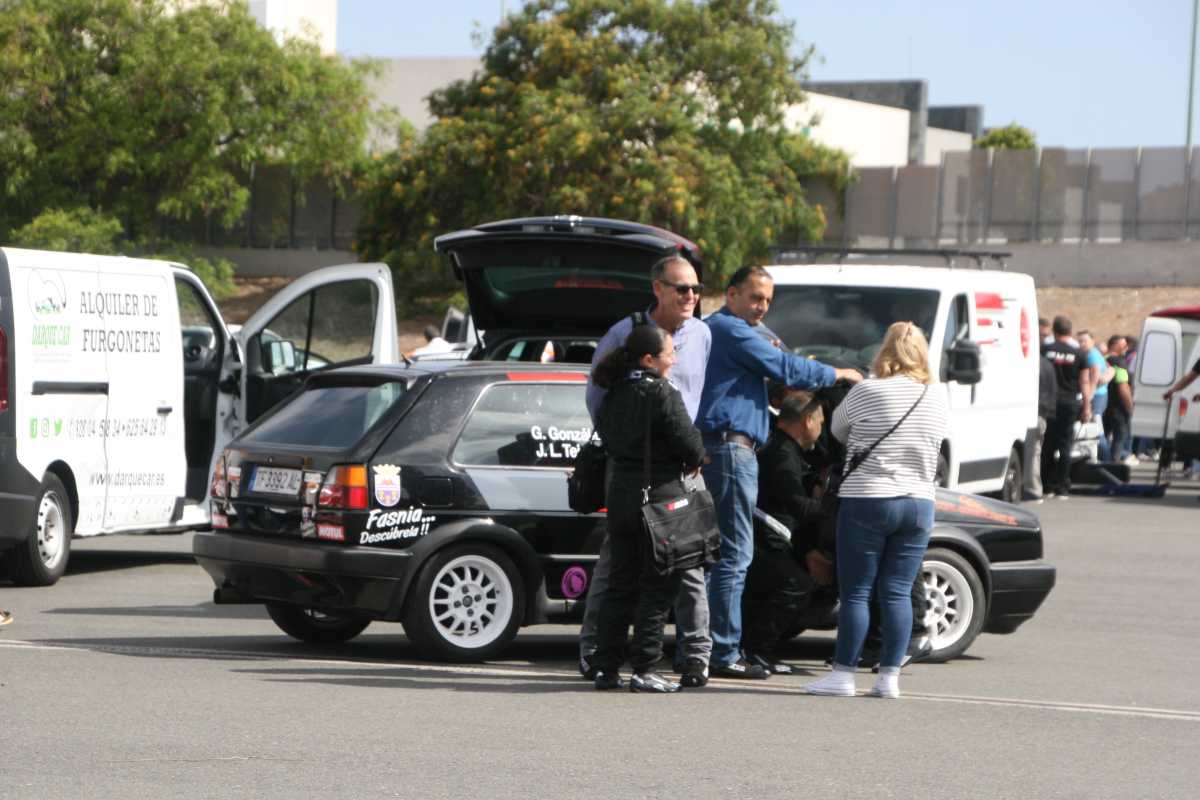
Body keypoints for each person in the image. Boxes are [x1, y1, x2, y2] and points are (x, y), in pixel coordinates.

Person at [697, 266, 862, 680]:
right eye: (755, 297)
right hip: (731, 450)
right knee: (735, 555)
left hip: (726, 449)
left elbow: (770, 377)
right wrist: (839, 374)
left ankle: (711, 647)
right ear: (731, 294)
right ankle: (724, 652)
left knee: (727, 556)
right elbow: (787, 368)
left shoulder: (725, 332)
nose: (762, 307)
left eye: (768, 300)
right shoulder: (731, 330)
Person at [579, 255, 712, 688]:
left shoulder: (698, 336)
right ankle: (643, 668)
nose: (691, 296)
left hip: (626, 486)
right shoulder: (660, 390)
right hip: (662, 488)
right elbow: (689, 442)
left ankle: (608, 665)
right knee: (658, 582)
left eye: (696, 289)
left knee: (627, 579)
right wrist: (690, 455)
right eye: (682, 288)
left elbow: (606, 414)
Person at [804, 322, 948, 700]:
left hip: (869, 497)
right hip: (919, 502)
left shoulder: (868, 390)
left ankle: (843, 674)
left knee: (856, 592)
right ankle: (889, 678)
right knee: (897, 591)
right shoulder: (937, 395)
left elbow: (837, 431)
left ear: (885, 350)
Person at [741, 393, 835, 674]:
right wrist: (836, 504)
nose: (821, 429)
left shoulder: (780, 446)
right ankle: (757, 650)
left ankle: (754, 648)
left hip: (766, 535)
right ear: (808, 421)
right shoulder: (782, 454)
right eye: (820, 422)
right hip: (765, 537)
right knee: (796, 583)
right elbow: (797, 505)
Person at [1041, 316, 1092, 499]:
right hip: (1069, 403)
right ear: (1070, 332)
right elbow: (1084, 382)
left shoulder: (1045, 350)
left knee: (1047, 445)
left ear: (1054, 331)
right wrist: (1087, 407)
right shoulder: (1079, 354)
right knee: (1065, 446)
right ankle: (1062, 487)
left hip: (1047, 403)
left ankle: (1046, 485)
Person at [1078, 330, 1113, 462]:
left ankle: (1105, 458)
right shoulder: (1094, 353)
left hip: (1097, 396)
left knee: (1097, 428)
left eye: (1084, 341)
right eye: (1080, 341)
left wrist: (1089, 396)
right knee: (1096, 427)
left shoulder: (1092, 355)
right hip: (1100, 395)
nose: (1081, 344)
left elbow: (1095, 376)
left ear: (1092, 342)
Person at [1026, 350, 1056, 502]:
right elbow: (1053, 389)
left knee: (1031, 453)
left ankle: (1032, 489)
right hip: (1041, 413)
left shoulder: (1027, 362)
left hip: (1030, 411)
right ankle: (1035, 488)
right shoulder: (1047, 364)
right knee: (1035, 453)